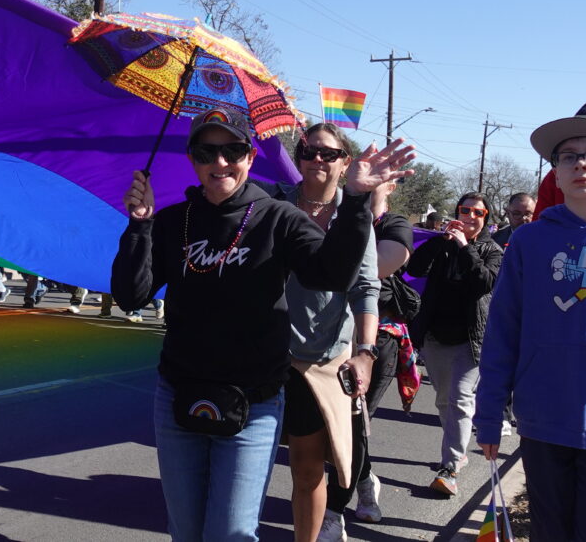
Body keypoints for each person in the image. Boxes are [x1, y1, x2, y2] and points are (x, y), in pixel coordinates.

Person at [111, 107, 414, 541]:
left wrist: (357, 201)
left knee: (232, 532)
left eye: (232, 150)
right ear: (192, 159)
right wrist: (139, 226)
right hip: (179, 395)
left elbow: (333, 275)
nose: (220, 163)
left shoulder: (278, 217)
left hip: (254, 402)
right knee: (187, 530)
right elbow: (131, 294)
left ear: (250, 156)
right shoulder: (175, 221)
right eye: (207, 152)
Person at [476, 104, 586, 541]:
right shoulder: (529, 239)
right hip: (543, 418)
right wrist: (489, 414)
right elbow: (502, 330)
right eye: (567, 155)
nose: (581, 162)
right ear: (554, 177)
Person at [253, 123, 382, 542]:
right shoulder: (272, 204)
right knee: (246, 460)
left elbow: (366, 289)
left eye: (329, 154)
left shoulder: (354, 215)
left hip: (320, 360)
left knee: (308, 468)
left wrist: (364, 352)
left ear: (345, 163)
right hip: (263, 354)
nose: (317, 161)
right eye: (309, 151)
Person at [321, 178, 419, 537]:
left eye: (378, 179)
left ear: (389, 187)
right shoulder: (330, 216)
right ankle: (364, 481)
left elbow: (373, 268)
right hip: (326, 340)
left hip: (374, 344)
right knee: (325, 430)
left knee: (353, 426)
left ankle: (333, 512)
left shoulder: (394, 226)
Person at [407, 192, 503, 497]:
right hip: (436, 335)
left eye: (478, 212)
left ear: (486, 218)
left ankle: (449, 468)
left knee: (460, 399)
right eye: (466, 210)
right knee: (443, 400)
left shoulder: (492, 250)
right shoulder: (443, 243)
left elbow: (484, 282)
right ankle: (457, 452)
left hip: (471, 338)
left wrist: (464, 248)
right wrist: (440, 241)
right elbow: (415, 268)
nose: (471, 217)